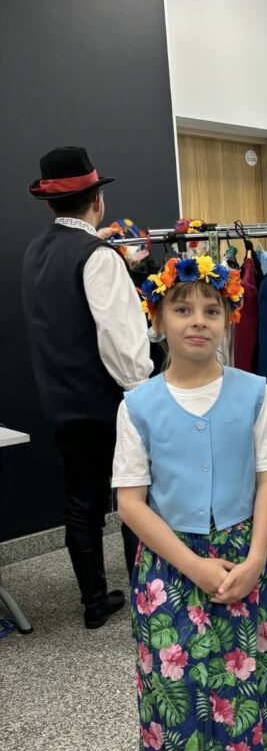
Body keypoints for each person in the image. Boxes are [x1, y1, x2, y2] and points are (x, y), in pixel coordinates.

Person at [113, 253, 267, 751]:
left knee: (250, 692)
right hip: (170, 571)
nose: (198, 320)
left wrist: (257, 559)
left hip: (245, 559)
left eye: (212, 310)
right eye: (182, 308)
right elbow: (131, 502)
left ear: (228, 319)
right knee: (182, 703)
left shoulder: (254, 393)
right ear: (157, 319)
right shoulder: (137, 406)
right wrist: (193, 565)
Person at [23, 146, 153, 628]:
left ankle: (94, 602)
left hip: (60, 400)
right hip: (109, 401)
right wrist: (142, 392)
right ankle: (147, 599)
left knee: (81, 504)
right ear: (97, 200)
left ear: (48, 203)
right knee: (133, 499)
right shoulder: (99, 257)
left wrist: (105, 251)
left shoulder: (36, 251)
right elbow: (121, 341)